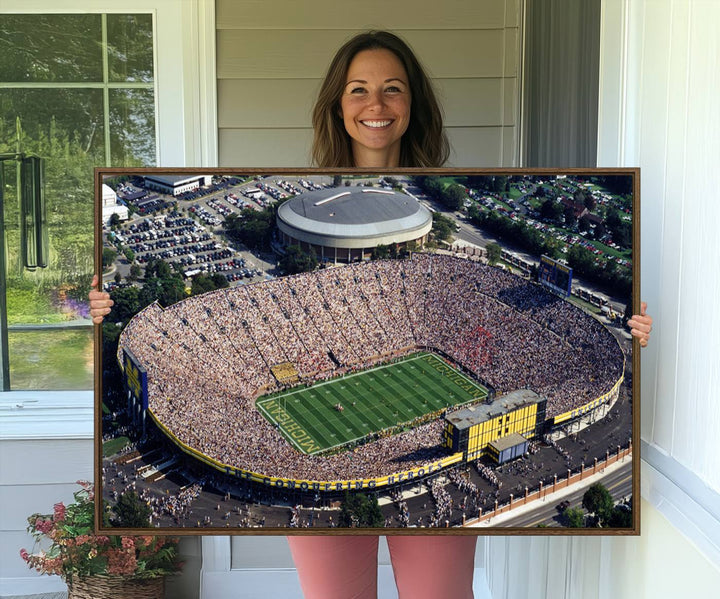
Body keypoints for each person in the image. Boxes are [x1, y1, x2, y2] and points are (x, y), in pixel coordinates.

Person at [89, 30, 653, 599]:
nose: (376, 105)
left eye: (393, 89)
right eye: (358, 89)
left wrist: (640, 333)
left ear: (416, 102)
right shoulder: (284, 173)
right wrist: (93, 311)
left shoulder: (470, 170)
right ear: (336, 102)